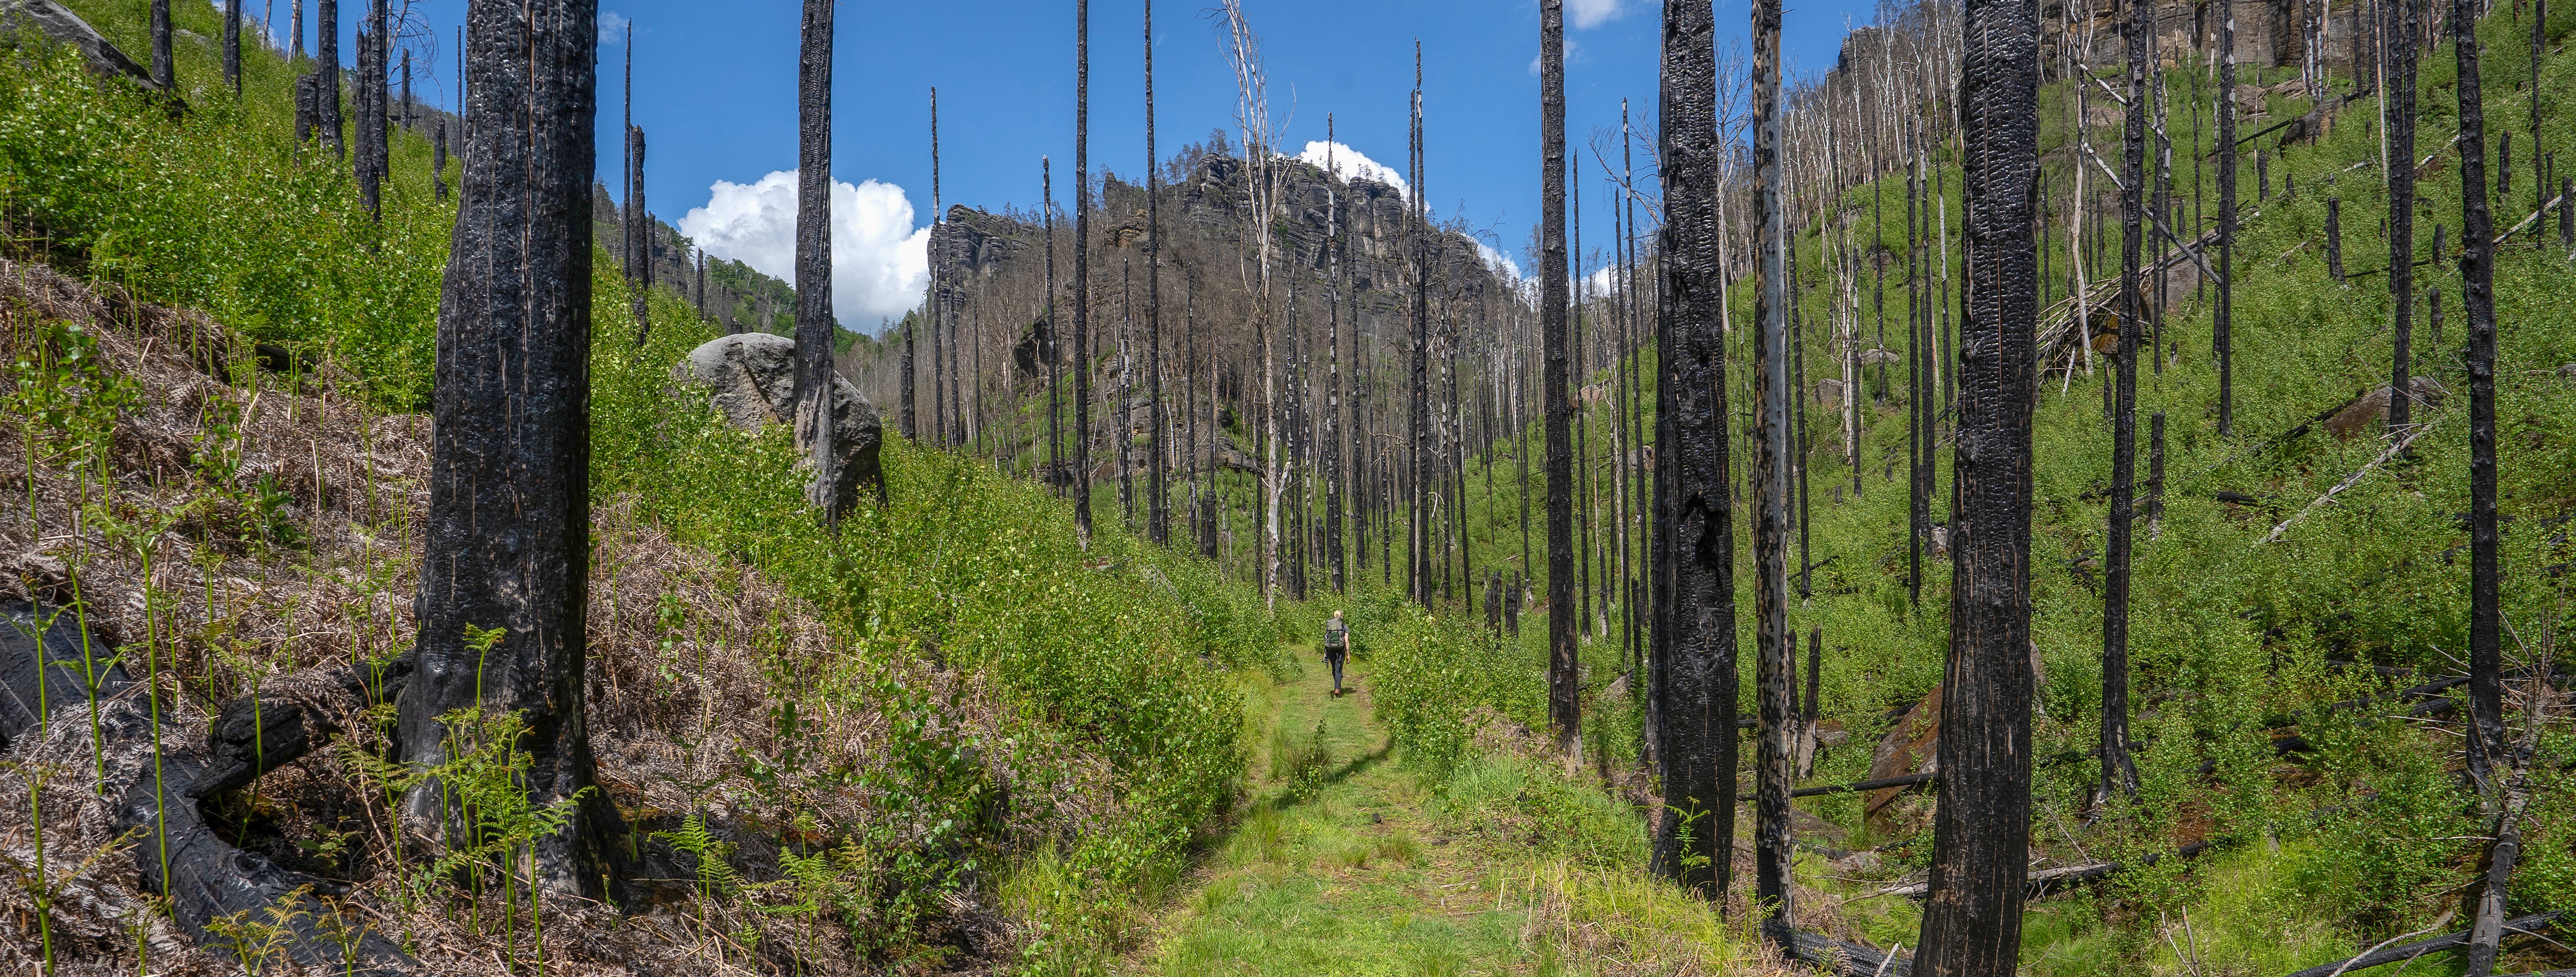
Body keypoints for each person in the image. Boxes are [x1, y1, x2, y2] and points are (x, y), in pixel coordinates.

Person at [1322, 610, 1350, 697]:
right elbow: (1347, 642)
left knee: (1334, 669)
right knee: (1339, 669)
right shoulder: (1344, 626)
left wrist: (1325, 653)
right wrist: (1348, 655)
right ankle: (1337, 688)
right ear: (1342, 616)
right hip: (1340, 650)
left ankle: (1337, 688)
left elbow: (1326, 639)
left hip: (1330, 649)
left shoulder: (1330, 626)